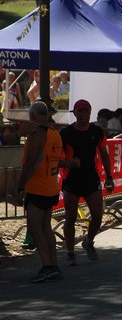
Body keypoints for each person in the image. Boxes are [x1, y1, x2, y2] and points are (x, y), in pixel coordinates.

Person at [60, 99, 114, 265]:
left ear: (90, 113)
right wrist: (68, 163)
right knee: (70, 217)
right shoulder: (66, 133)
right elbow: (55, 158)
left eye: (86, 111)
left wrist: (109, 176)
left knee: (98, 216)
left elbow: (104, 154)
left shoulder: (97, 131)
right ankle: (70, 252)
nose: (83, 114)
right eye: (80, 111)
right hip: (72, 180)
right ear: (75, 113)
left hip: (92, 178)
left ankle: (88, 241)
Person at [17, 101, 63, 283]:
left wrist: (21, 186)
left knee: (36, 229)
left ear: (32, 117)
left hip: (37, 188)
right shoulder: (54, 134)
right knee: (46, 227)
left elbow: (30, 163)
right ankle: (53, 264)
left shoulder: (37, 135)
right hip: (50, 187)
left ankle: (47, 266)